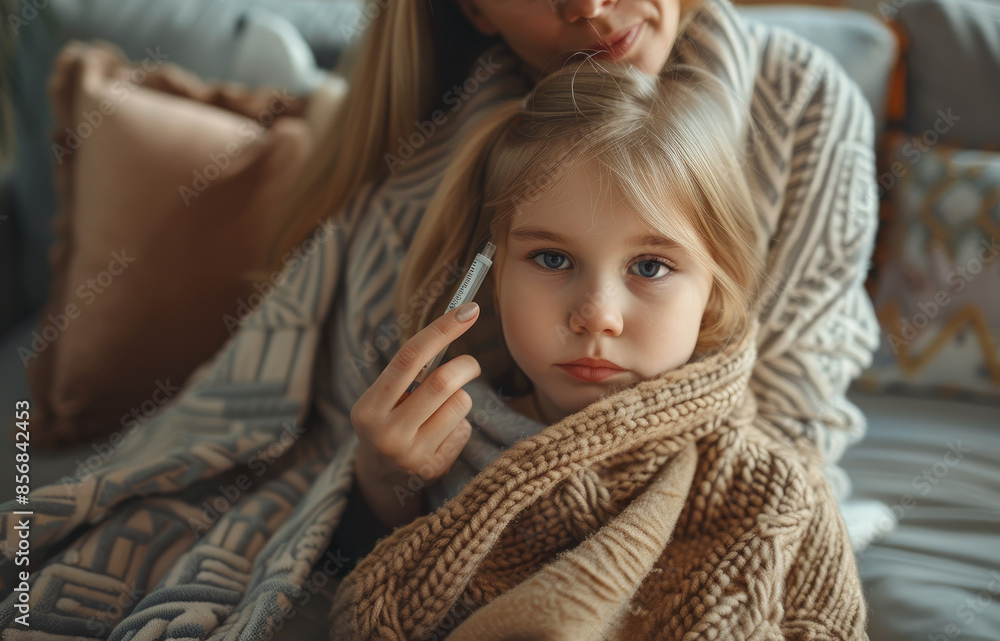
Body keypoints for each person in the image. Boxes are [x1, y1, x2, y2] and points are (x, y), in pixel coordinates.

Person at [0, 0, 879, 638]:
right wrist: (384, 480)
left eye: (652, 263)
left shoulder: (802, 111)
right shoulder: (433, 143)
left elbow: (791, 416)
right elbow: (339, 433)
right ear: (471, 4)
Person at [328, 60, 867, 638]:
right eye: (552, 259)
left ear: (714, 291)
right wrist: (383, 483)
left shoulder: (774, 492)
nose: (597, 316)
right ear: (495, 276)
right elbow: (355, 581)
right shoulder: (430, 436)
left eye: (651, 266)